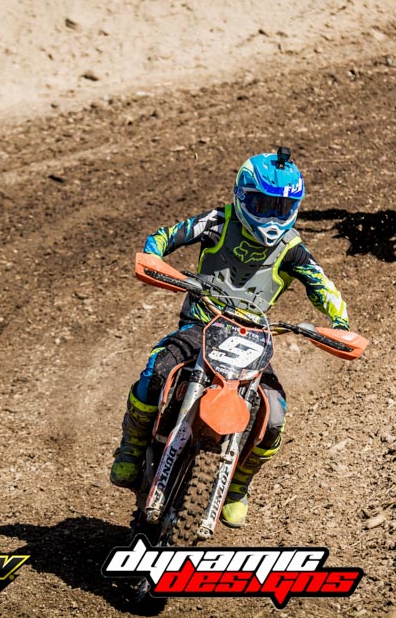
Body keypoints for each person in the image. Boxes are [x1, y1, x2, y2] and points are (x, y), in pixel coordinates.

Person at [109, 147, 351, 528]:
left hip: (251, 340)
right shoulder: (218, 222)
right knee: (157, 370)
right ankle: (132, 447)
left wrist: (340, 321)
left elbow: (323, 286)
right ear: (242, 196)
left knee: (274, 415)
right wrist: (153, 257)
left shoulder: (292, 248)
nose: (271, 217)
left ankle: (238, 484)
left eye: (281, 208)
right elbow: (166, 235)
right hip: (201, 325)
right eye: (262, 204)